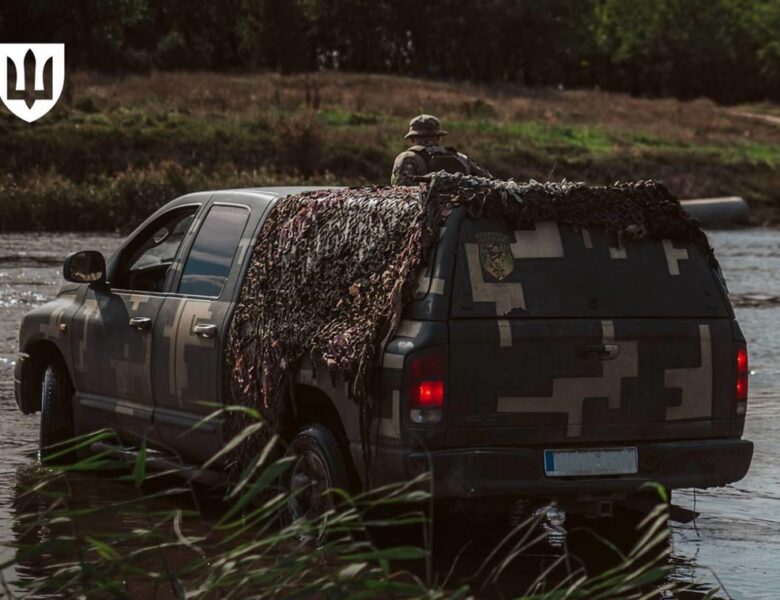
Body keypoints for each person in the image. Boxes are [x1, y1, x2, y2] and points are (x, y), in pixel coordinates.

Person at [391, 114, 491, 185]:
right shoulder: (460, 157)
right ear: (438, 137)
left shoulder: (407, 158)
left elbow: (399, 188)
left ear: (412, 138)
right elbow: (488, 180)